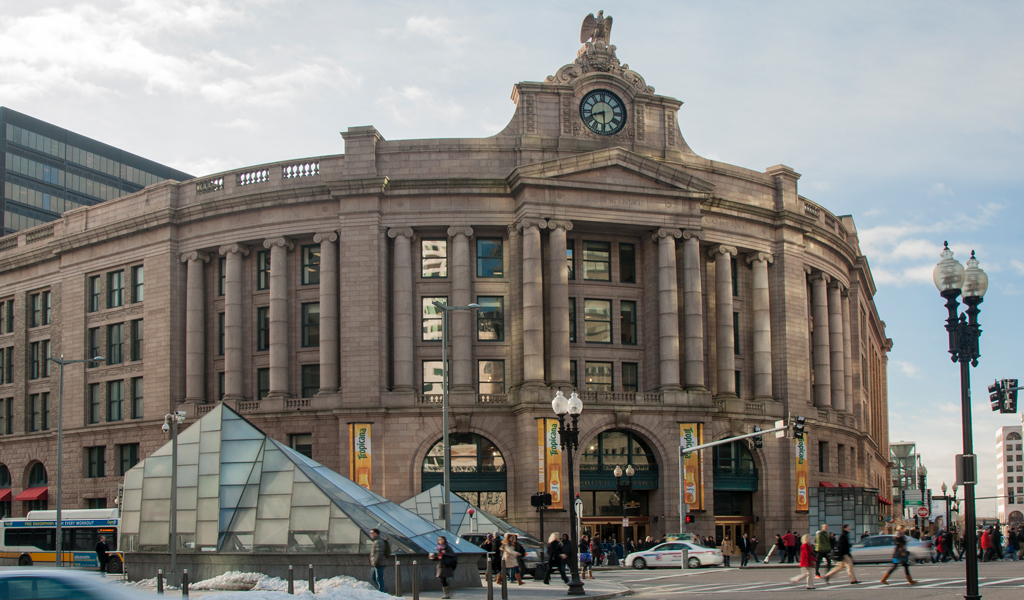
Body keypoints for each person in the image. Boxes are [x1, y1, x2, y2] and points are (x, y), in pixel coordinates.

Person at [368, 528, 389, 593]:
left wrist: (375, 562)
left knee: (378, 578)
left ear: (376, 533)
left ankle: (382, 592)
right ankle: (383, 590)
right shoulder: (376, 541)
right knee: (373, 577)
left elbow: (379, 553)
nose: (370, 534)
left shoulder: (378, 541)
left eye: (372, 533)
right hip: (376, 563)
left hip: (379, 563)